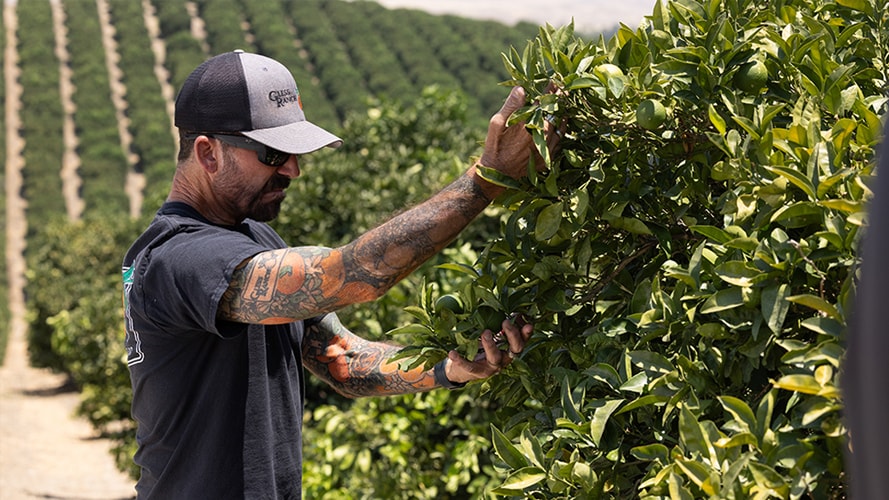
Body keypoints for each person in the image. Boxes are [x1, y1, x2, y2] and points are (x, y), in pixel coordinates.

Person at [121, 50, 557, 498]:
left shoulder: (258, 239)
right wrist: (486, 181)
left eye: (294, 153)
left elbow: (344, 361)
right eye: (274, 154)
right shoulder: (176, 257)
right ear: (207, 153)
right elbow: (352, 274)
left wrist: (453, 367)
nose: (292, 169)